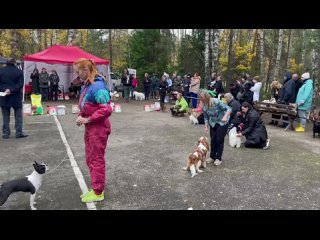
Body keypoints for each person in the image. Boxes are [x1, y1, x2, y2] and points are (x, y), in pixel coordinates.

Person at [74, 58, 112, 203]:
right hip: (91, 128)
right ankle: (96, 186)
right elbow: (86, 106)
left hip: (99, 129)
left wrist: (88, 119)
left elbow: (107, 109)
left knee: (96, 160)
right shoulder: (87, 86)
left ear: (86, 70)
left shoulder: (97, 87)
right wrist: (81, 116)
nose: (77, 74)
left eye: (78, 71)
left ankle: (98, 192)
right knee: (90, 159)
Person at [199, 89, 231, 166]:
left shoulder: (216, 101)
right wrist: (206, 125)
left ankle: (218, 158)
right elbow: (206, 116)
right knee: (213, 140)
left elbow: (229, 109)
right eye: (201, 99)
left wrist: (225, 116)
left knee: (219, 140)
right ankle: (212, 157)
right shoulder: (203, 105)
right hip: (213, 123)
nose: (202, 101)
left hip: (222, 122)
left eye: (203, 99)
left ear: (206, 97)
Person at [0, 58, 28, 139]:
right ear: (14, 63)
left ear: (6, 63)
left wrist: (5, 89)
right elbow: (20, 84)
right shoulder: (19, 72)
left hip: (4, 96)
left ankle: (6, 133)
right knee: (18, 116)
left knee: (5, 116)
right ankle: (18, 133)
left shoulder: (1, 71)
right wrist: (11, 90)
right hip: (15, 96)